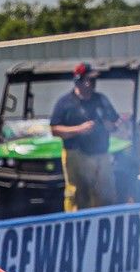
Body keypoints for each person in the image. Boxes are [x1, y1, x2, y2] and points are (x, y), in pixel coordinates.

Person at [50, 62, 121, 210]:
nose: (93, 84)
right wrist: (79, 129)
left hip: (101, 154)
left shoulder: (101, 99)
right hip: (76, 154)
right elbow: (55, 129)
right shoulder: (65, 103)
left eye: (94, 80)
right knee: (78, 194)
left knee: (106, 194)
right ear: (78, 81)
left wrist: (113, 126)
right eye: (89, 80)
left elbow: (116, 121)